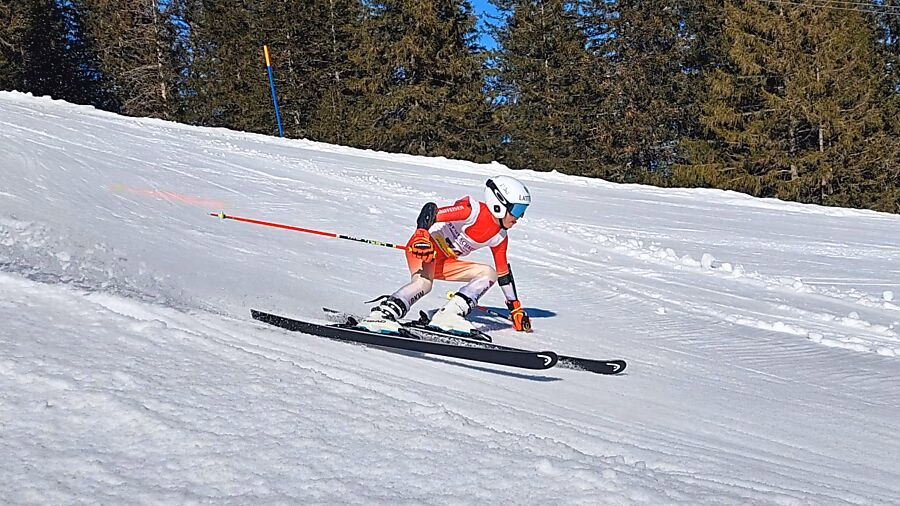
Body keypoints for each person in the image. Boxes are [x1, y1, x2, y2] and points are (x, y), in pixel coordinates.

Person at [358, 175, 533, 335]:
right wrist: (421, 235)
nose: (520, 217)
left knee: (489, 273)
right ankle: (382, 315)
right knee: (424, 283)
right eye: (517, 210)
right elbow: (430, 211)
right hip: (423, 249)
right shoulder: (473, 212)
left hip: (444, 263)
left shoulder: (499, 237)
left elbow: (503, 274)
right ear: (499, 203)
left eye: (523, 211)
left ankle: (449, 315)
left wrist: (515, 308)